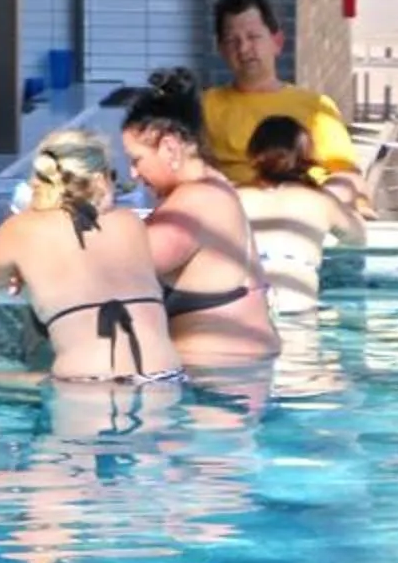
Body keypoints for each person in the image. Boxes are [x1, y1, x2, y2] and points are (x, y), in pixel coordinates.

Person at [0, 128, 184, 385]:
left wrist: (29, 277)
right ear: (101, 178)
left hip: (85, 383)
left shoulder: (21, 228)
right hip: (166, 377)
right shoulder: (130, 222)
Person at [120, 81, 282, 370]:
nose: (133, 173)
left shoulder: (197, 200)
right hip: (234, 380)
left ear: (170, 148)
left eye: (137, 160)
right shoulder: (213, 189)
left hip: (216, 387)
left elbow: (123, 265)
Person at [202, 0, 365, 203]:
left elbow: (347, 175)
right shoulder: (205, 107)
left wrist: (318, 204)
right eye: (232, 41)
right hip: (236, 215)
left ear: (277, 42)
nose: (243, 49)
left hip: (307, 215)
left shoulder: (316, 107)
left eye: (253, 37)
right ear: (221, 50)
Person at [238, 116, 368, 314]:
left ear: (252, 153)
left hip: (244, 302)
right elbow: (357, 238)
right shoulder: (321, 201)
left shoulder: (232, 196)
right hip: (297, 301)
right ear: (307, 157)